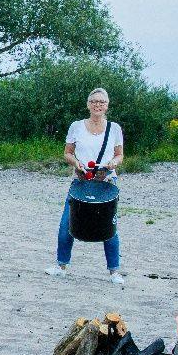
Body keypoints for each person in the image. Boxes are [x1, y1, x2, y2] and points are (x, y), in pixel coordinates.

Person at [49, 88, 126, 284]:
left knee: (109, 225)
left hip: (106, 181)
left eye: (101, 102)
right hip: (81, 180)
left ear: (107, 105)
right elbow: (67, 153)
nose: (97, 105)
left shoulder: (114, 128)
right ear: (88, 104)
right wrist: (76, 163)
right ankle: (61, 265)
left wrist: (113, 164)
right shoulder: (76, 126)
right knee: (67, 222)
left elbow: (119, 155)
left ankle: (114, 271)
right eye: (94, 102)